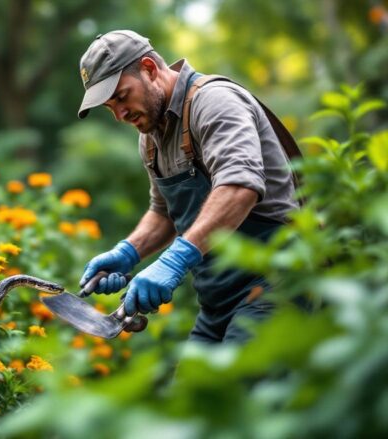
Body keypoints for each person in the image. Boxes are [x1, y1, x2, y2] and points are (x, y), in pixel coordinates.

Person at [76, 30, 300, 343]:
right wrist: (128, 252)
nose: (119, 115)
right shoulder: (151, 136)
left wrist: (175, 259)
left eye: (122, 97)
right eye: (109, 107)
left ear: (150, 69)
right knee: (188, 391)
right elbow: (164, 211)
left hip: (275, 284)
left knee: (230, 389)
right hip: (217, 303)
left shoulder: (214, 101)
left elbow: (239, 186)